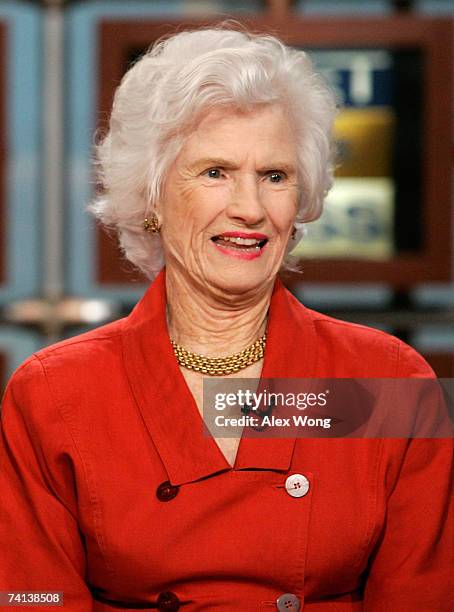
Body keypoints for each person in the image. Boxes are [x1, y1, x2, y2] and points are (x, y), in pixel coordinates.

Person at [0, 25, 452, 612]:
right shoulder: (55, 393)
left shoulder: (389, 382)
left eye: (275, 176)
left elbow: (422, 599)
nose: (250, 209)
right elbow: (31, 600)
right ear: (153, 197)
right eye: (215, 172)